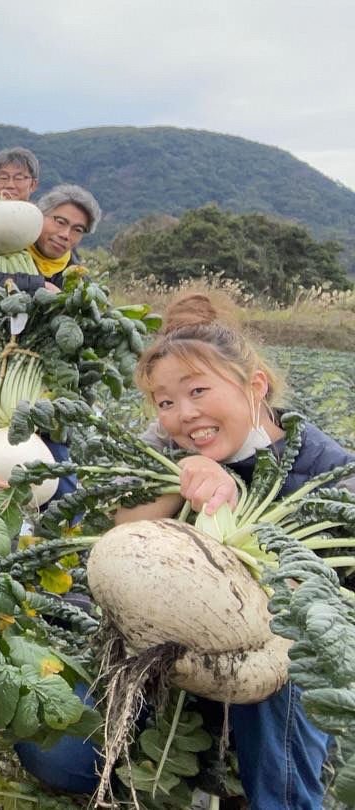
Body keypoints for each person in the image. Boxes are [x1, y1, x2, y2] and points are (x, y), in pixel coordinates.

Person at [105, 293, 352, 808]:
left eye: (198, 391)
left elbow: (324, 601)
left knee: (292, 648)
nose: (183, 415)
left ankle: (283, 793)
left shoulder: (329, 472)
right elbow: (120, 529)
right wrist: (186, 475)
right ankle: (194, 759)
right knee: (59, 761)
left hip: (269, 665)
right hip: (169, 643)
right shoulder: (172, 449)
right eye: (166, 402)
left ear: (254, 385)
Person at [0, 185, 100, 293]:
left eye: (78, 230)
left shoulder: (76, 276)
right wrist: (39, 286)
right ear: (41, 215)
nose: (65, 234)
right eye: (60, 222)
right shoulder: (6, 244)